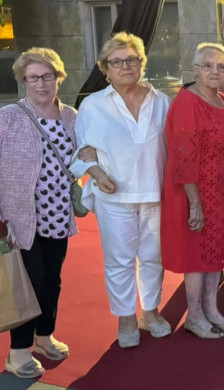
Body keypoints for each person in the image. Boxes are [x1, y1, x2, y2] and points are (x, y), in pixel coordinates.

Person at [70, 32, 172, 348]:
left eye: (132, 59)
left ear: (142, 63)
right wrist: (97, 173)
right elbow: (79, 150)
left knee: (154, 257)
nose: (126, 66)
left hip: (155, 194)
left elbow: (173, 146)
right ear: (106, 68)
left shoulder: (161, 100)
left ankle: (150, 311)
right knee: (119, 260)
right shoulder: (92, 105)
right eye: (117, 61)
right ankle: (126, 316)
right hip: (113, 196)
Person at [161, 43, 224, 339]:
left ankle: (211, 310)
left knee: (215, 256)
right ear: (195, 70)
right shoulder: (187, 102)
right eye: (208, 65)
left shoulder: (222, 100)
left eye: (221, 66)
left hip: (221, 193)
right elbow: (183, 157)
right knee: (197, 257)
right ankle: (194, 317)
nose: (215, 71)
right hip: (194, 194)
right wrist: (195, 203)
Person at [2, 48, 76, 378]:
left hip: (58, 213)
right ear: (23, 80)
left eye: (48, 76)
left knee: (52, 280)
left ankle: (44, 336)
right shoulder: (8, 117)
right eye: (32, 77)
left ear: (59, 77)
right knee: (27, 282)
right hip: (19, 217)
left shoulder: (72, 115)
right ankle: (17, 353)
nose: (41, 84)